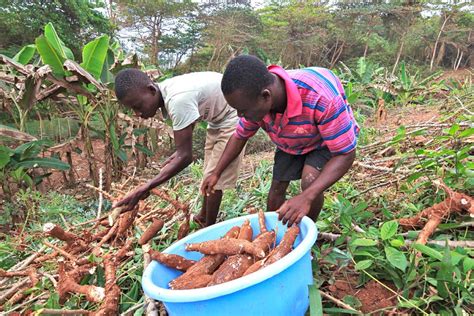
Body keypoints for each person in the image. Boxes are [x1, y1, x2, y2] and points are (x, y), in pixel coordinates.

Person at [201, 55, 359, 226]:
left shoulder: (322, 98)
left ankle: (306, 234)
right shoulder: (254, 100)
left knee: (310, 182)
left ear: (266, 96)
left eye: (243, 110)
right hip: (289, 139)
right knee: (276, 188)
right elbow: (240, 136)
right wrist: (216, 172)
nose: (240, 116)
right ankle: (272, 235)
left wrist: (307, 196)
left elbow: (345, 154)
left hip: (324, 139)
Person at [113, 69, 244, 227]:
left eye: (138, 106)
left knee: (215, 179)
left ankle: (209, 228)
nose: (137, 113)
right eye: (132, 109)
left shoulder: (177, 100)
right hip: (217, 119)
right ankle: (203, 216)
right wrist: (179, 153)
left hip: (233, 115)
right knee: (209, 172)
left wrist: (145, 188)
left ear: (151, 89)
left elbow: (186, 157)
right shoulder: (167, 92)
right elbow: (186, 135)